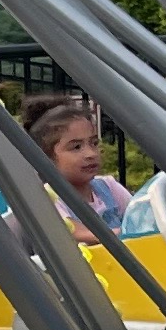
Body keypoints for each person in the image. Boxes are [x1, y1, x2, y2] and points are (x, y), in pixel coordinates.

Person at [26, 93, 132, 231]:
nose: (91, 154)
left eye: (94, 143)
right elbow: (70, 230)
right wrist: (120, 234)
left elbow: (138, 215)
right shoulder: (49, 197)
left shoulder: (109, 186)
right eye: (76, 147)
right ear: (45, 157)